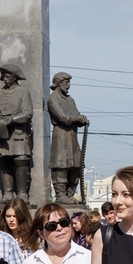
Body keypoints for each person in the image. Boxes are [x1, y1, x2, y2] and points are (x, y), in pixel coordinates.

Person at [0, 63, 33, 201]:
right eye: (3, 76)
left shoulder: (23, 92)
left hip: (18, 133)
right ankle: (7, 193)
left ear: (14, 77)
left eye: (7, 76)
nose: (4, 79)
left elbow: (28, 113)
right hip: (1, 134)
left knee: (21, 161)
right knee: (4, 162)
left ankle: (22, 193)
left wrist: (12, 119)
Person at [47, 72, 89, 204]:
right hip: (61, 137)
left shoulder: (70, 100)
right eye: (66, 82)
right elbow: (63, 118)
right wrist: (77, 118)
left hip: (72, 137)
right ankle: (61, 195)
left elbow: (76, 114)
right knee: (61, 166)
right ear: (58, 83)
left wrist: (82, 119)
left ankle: (70, 194)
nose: (69, 85)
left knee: (76, 166)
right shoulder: (53, 99)